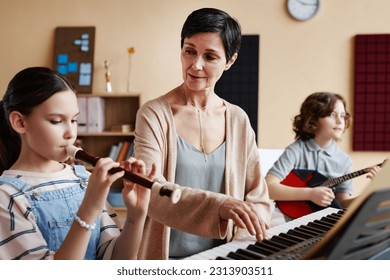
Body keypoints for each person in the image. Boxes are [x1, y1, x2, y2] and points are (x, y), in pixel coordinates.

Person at [133, 7, 271, 259]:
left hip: (222, 259)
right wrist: (220, 206)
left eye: (210, 56)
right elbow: (149, 191)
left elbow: (258, 199)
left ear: (230, 61)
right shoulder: (153, 114)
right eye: (190, 51)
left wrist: (236, 249)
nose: (195, 65)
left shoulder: (238, 120)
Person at [0, 67, 152, 260]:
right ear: (20, 122)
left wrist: (135, 216)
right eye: (56, 121)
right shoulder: (6, 197)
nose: (71, 133)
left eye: (74, 120)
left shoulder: (84, 178)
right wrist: (88, 210)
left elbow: (116, 262)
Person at [265, 92, 382, 221]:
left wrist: (370, 192)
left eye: (343, 116)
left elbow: (342, 204)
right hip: (289, 221)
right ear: (313, 119)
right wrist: (310, 194)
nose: (339, 121)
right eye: (333, 114)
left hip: (322, 225)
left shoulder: (344, 161)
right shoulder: (296, 151)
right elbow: (269, 187)